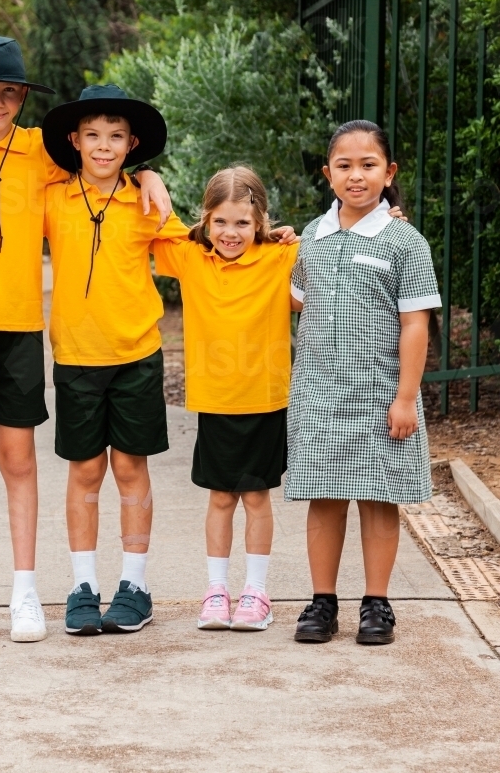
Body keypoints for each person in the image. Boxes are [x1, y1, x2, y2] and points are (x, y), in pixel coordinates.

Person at [0, 39, 171, 645]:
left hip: (21, 328)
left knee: (19, 459)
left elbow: (104, 165)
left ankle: (25, 591)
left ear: (23, 97)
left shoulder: (40, 154)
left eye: (8, 92)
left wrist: (149, 173)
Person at [41, 84, 191, 636]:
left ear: (132, 145)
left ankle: (136, 585)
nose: (104, 147)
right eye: (94, 136)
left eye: (116, 137)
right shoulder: (52, 198)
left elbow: (190, 256)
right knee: (84, 472)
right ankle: (83, 586)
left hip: (136, 357)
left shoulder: (146, 201)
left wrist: (263, 243)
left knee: (130, 469)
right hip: (76, 359)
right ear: (75, 141)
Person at [288, 119, 441, 646]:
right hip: (319, 396)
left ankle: (377, 603)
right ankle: (322, 602)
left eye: (368, 165)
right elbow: (295, 299)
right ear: (328, 173)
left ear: (389, 172)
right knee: (324, 498)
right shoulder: (312, 235)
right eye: (345, 166)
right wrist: (274, 243)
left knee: (380, 499)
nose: (356, 176)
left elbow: (416, 323)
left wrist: (405, 398)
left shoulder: (405, 240)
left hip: (381, 396)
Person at [153, 166, 299, 631]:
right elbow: (148, 222)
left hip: (265, 399)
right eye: (220, 222)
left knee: (256, 496)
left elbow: (342, 244)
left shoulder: (283, 257)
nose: (230, 232)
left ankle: (256, 592)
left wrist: (390, 216)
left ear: (260, 221)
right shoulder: (190, 258)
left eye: (242, 222)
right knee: (219, 497)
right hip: (215, 401)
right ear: (206, 219)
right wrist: (149, 176)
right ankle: (216, 591)